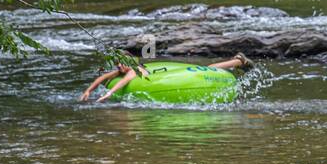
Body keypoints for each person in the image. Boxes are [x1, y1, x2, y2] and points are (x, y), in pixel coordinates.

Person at [79, 54, 254, 104]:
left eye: (120, 65)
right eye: (117, 65)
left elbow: (125, 81)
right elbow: (103, 77)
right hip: (163, 75)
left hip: (174, 79)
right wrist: (88, 90)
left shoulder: (133, 71)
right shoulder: (120, 72)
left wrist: (109, 93)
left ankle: (238, 61)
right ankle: (238, 61)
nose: (118, 68)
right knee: (208, 69)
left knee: (207, 70)